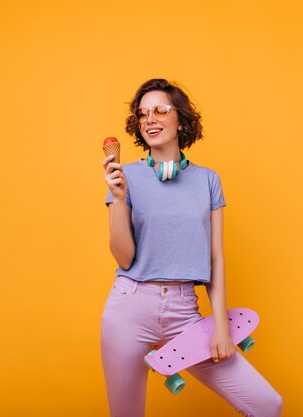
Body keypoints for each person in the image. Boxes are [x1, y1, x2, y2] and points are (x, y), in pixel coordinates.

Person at [100, 78, 283, 417]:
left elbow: (215, 257)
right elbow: (124, 257)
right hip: (129, 307)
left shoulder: (207, 180)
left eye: (160, 110)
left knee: (268, 405)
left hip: (184, 311)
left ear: (180, 120)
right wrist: (120, 198)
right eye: (143, 114)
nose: (150, 119)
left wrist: (222, 330)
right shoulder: (124, 176)